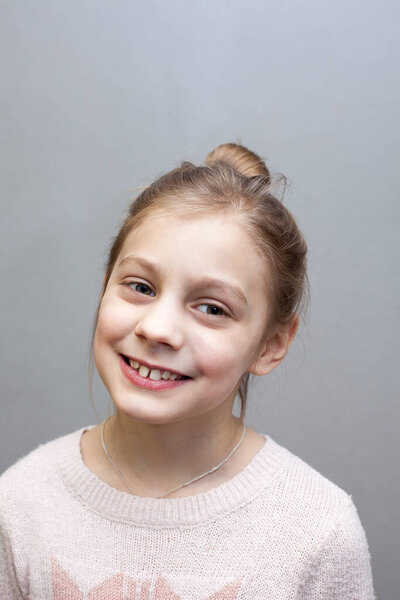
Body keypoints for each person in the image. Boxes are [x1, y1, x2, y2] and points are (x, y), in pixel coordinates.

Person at [0, 142, 376, 599]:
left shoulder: (317, 530)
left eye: (212, 308)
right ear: (104, 288)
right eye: (140, 286)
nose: (157, 329)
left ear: (272, 344)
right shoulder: (21, 502)